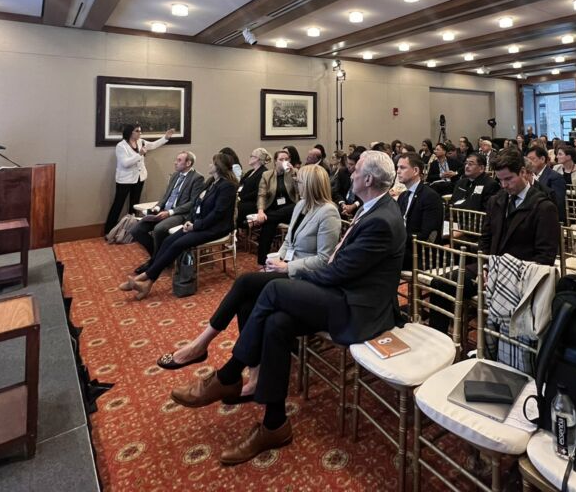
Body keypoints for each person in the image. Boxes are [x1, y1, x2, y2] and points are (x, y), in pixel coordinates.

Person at [170, 150, 406, 464]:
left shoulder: (382, 220)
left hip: (357, 309)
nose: (351, 174)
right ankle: (275, 423)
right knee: (276, 322)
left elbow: (337, 271)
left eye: (356, 170)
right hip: (342, 293)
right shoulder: (374, 208)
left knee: (274, 289)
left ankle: (228, 374)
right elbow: (338, 267)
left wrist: (291, 272)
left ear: (368, 179)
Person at [161, 165, 341, 388]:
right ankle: (255, 371)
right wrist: (276, 260)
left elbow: (324, 260)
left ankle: (202, 342)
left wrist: (286, 266)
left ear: (312, 185)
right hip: (285, 268)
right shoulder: (301, 205)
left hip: (304, 277)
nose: (296, 185)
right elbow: (288, 241)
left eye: (300, 182)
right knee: (246, 304)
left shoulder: (329, 212)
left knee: (245, 281)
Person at [431, 148, 559, 334]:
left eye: (509, 179)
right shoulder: (496, 200)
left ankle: (493, 342)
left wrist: (507, 274)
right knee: (440, 284)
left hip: (521, 274)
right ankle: (440, 341)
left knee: (499, 302)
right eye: (500, 180)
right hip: (490, 266)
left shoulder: (543, 206)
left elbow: (545, 257)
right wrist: (484, 266)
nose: (504, 185)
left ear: (523, 172)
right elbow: (485, 239)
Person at [120, 153, 237, 300]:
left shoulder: (227, 186)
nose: (209, 165)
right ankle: (147, 283)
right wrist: (190, 222)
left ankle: (144, 278)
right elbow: (197, 205)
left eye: (212, 163)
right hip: (200, 224)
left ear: (218, 167)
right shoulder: (211, 182)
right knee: (168, 241)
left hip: (216, 228)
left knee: (178, 244)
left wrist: (195, 226)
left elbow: (218, 214)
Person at [130, 151, 204, 272]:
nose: (175, 162)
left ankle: (154, 262)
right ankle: (160, 257)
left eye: (179, 160)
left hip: (180, 214)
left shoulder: (197, 178)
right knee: (136, 230)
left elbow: (192, 203)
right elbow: (166, 195)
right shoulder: (175, 175)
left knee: (159, 229)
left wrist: (170, 212)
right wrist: (157, 207)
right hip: (164, 210)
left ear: (188, 163)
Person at [103, 123, 175, 234]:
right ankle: (109, 230)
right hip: (125, 180)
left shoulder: (141, 142)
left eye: (140, 131)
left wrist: (166, 137)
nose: (140, 133)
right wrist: (139, 154)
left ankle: (131, 229)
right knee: (118, 204)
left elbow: (153, 145)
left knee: (134, 204)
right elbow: (125, 163)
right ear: (130, 132)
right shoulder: (121, 146)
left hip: (139, 178)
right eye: (137, 131)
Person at [396, 152, 444, 269]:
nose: (398, 171)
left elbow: (427, 236)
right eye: (397, 167)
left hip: (420, 253)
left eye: (402, 167)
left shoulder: (430, 197)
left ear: (416, 170)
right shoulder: (403, 196)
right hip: (403, 247)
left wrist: (396, 238)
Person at [253, 149, 300, 265]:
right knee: (268, 226)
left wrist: (294, 174)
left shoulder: (294, 173)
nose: (284, 161)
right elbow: (261, 195)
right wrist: (260, 211)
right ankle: (262, 262)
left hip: (291, 210)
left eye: (286, 159)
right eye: (281, 159)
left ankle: (265, 219)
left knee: (290, 208)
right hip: (274, 209)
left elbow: (300, 192)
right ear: (275, 161)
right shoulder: (267, 175)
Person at [526, 145, 566, 217]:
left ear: (542, 159)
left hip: (548, 215)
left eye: (532, 159)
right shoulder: (529, 175)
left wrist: (533, 182)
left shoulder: (555, 177)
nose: (529, 162)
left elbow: (557, 202)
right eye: (527, 160)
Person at [237, 148, 270, 223]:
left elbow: (258, 192)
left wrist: (241, 198)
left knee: (237, 207)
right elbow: (241, 184)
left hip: (253, 202)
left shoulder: (264, 172)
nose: (250, 158)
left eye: (251, 156)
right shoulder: (250, 172)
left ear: (257, 159)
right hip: (243, 199)